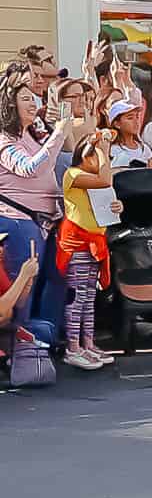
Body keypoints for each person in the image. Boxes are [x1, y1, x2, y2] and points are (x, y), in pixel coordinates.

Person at [0, 65, 71, 348]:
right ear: (10, 102)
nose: (35, 103)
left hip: (47, 221)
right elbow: (30, 168)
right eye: (26, 98)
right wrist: (59, 135)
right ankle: (18, 352)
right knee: (22, 290)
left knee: (56, 279)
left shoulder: (32, 134)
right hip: (19, 222)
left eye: (35, 97)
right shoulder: (4, 139)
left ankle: (42, 344)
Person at [57, 131, 122, 369]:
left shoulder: (93, 178)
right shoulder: (73, 174)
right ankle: (73, 347)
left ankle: (88, 343)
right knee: (77, 296)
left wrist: (117, 205)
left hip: (95, 242)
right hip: (77, 243)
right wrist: (103, 149)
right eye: (95, 157)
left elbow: (107, 200)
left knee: (89, 297)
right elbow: (106, 180)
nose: (101, 161)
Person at [106, 99, 152, 169]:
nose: (136, 121)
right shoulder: (112, 150)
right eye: (130, 118)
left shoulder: (144, 148)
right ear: (117, 124)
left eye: (137, 117)